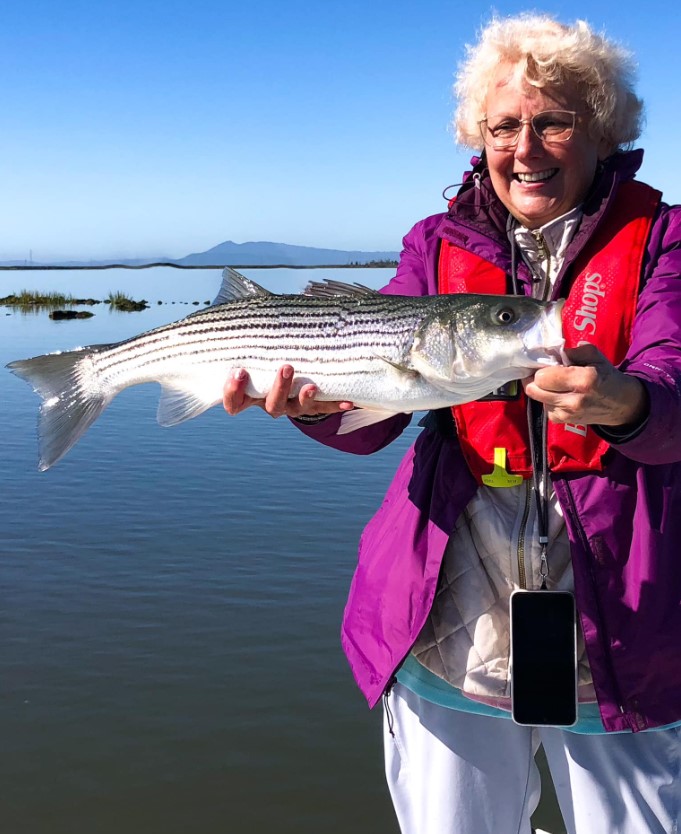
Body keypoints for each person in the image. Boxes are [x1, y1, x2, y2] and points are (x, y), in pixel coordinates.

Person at [223, 13, 681, 834]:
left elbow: (673, 383)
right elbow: (371, 422)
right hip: (448, 628)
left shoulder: (664, 241)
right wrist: (313, 406)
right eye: (504, 126)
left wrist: (627, 404)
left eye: (552, 122)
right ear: (480, 136)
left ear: (602, 131)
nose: (525, 148)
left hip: (626, 628)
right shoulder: (434, 245)